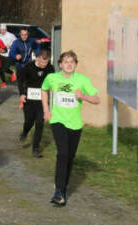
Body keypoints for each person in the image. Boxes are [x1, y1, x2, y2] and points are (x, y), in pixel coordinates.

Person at [41, 50, 100, 206]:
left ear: (76, 65)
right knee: (63, 153)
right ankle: (59, 192)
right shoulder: (52, 78)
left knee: (70, 157)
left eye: (72, 62)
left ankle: (63, 187)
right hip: (58, 120)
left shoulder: (82, 80)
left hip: (75, 124)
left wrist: (83, 97)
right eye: (66, 62)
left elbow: (96, 99)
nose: (69, 64)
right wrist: (46, 110)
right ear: (60, 64)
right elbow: (44, 89)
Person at [19, 49, 54, 157]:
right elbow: (21, 81)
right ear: (37, 58)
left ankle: (35, 149)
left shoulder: (50, 68)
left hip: (42, 99)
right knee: (29, 121)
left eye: (46, 62)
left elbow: (52, 80)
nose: (44, 65)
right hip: (29, 99)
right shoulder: (28, 67)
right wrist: (22, 93)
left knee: (39, 123)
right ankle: (25, 132)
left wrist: (52, 89)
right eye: (43, 62)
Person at [9, 27, 40, 96]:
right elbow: (11, 53)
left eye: (26, 34)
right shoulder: (16, 42)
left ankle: (27, 95)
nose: (24, 36)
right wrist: (15, 56)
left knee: (28, 81)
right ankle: (22, 96)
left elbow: (37, 47)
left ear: (28, 34)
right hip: (20, 64)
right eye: (22, 35)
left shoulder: (31, 41)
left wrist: (37, 55)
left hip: (29, 64)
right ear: (20, 34)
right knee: (20, 82)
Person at [0, 24, 17, 88]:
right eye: (1, 30)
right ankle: (4, 82)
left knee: (4, 69)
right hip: (0, 54)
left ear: (6, 29)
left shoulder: (11, 35)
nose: (2, 31)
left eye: (3, 30)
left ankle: (11, 73)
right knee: (0, 69)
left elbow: (16, 42)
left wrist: (11, 46)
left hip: (8, 55)